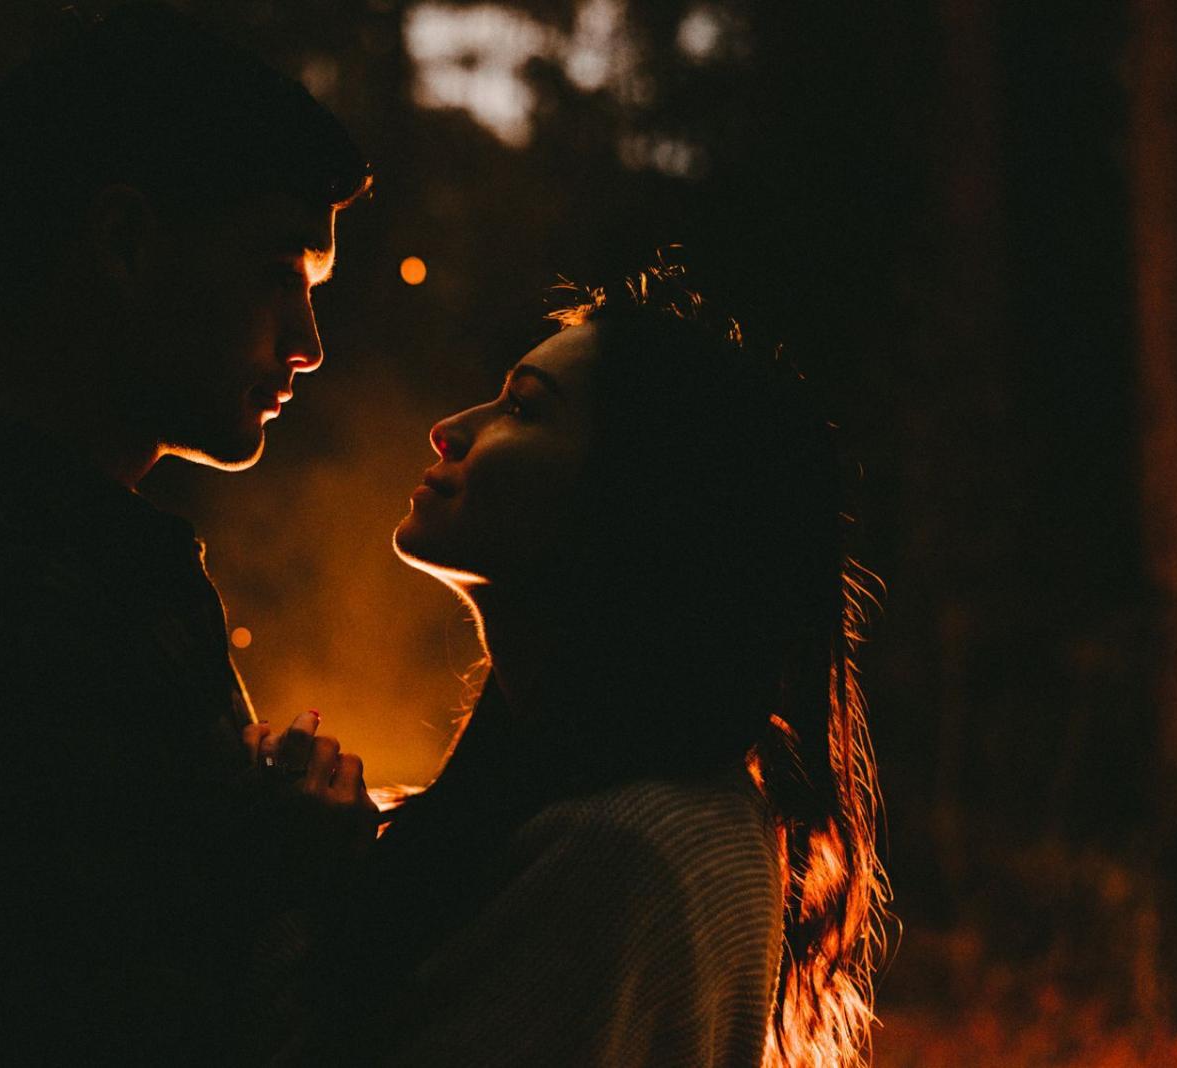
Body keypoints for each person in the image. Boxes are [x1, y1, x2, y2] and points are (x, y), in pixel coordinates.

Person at [0, 5, 375, 1064]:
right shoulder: (12, 618)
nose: (309, 344)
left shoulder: (14, 563)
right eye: (278, 273)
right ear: (125, 243)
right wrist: (303, 885)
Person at [290, 261, 890, 1066]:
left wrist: (294, 898)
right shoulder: (682, 802)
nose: (449, 427)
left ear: (635, 498)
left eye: (522, 409)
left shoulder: (618, 851)